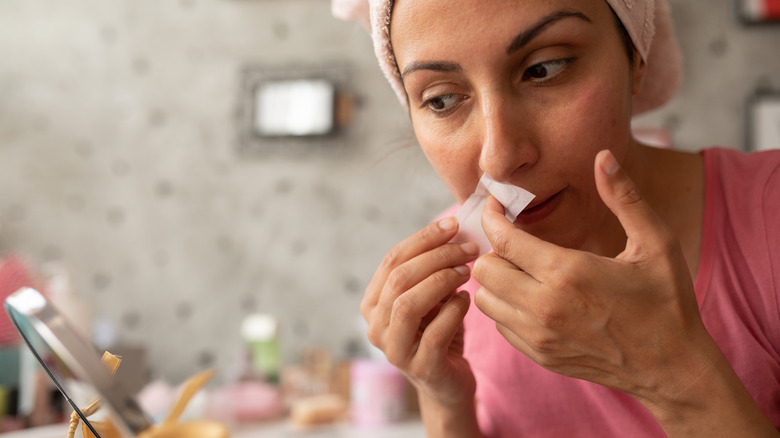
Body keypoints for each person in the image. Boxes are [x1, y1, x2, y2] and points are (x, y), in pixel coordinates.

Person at [332, 0, 780, 436]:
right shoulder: (452, 284)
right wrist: (445, 402)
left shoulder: (769, 217)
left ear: (636, 57)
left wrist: (673, 376)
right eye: (443, 99)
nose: (499, 158)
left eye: (544, 69)